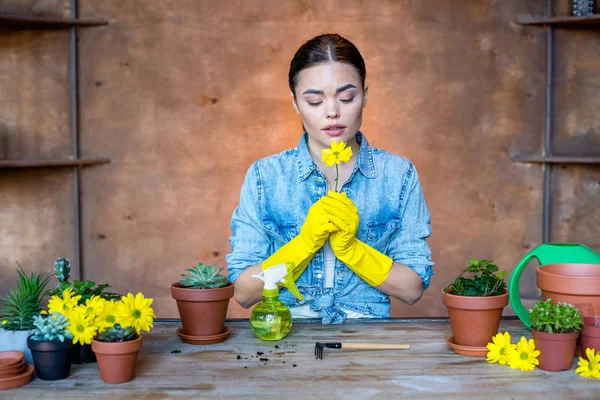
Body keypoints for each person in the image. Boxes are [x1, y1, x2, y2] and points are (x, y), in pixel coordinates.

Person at [226, 33, 433, 324]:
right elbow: (244, 293)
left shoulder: (398, 174)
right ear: (296, 103)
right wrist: (304, 243)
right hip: (285, 332)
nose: (333, 112)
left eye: (347, 97)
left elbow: (412, 289)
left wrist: (352, 250)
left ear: (365, 94)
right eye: (314, 101)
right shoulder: (265, 176)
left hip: (368, 335)